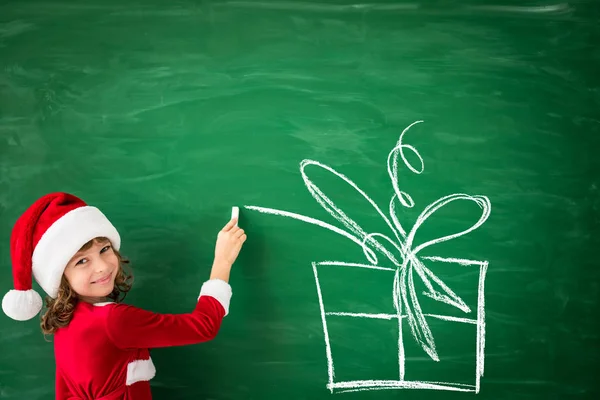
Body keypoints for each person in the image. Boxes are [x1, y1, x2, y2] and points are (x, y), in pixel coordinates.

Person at [1, 192, 246, 399]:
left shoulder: (66, 318)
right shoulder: (113, 321)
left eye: (105, 249)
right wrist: (223, 261)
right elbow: (203, 326)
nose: (102, 266)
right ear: (59, 277)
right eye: (82, 261)